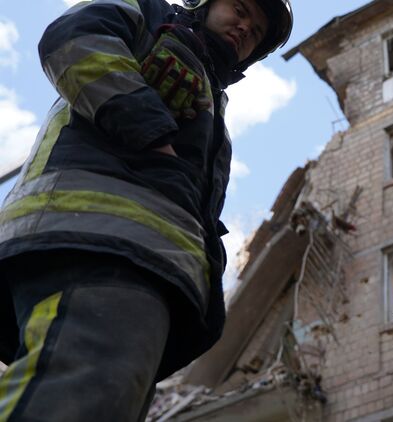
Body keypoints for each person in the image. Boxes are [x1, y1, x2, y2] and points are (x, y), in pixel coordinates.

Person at [0, 0, 292, 420]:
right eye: (240, 9)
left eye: (258, 31)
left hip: (149, 265)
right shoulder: (152, 16)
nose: (246, 28)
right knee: (85, 395)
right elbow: (75, 38)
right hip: (98, 241)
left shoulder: (215, 110)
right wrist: (153, 136)